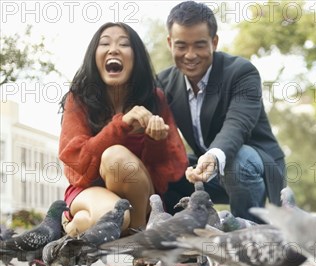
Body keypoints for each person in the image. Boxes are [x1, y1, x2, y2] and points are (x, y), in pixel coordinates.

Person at [157, 1, 286, 222]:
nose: (190, 55)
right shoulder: (164, 82)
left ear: (214, 42)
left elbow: (237, 126)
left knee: (237, 161)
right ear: (170, 43)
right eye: (181, 46)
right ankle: (184, 240)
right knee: (162, 166)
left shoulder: (241, 73)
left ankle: (249, 237)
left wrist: (214, 156)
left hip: (254, 167)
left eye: (199, 45)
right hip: (208, 171)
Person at [59, 22, 188, 236]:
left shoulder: (154, 99)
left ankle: (131, 233)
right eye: (105, 43)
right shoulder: (78, 98)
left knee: (116, 160)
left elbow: (167, 175)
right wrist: (120, 126)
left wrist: (155, 141)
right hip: (89, 190)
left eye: (124, 44)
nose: (114, 49)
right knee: (114, 216)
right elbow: (77, 164)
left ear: (135, 56)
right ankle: (124, 233)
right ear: (94, 55)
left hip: (140, 199)